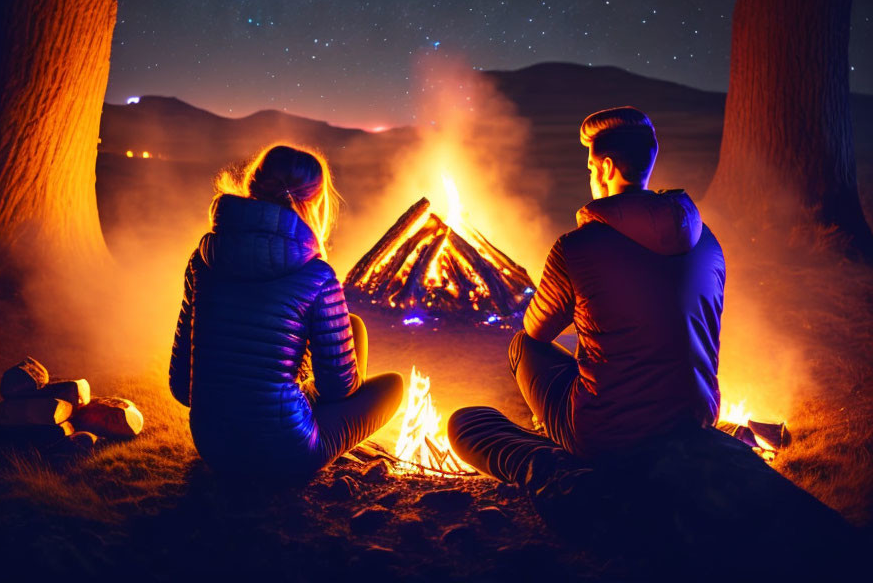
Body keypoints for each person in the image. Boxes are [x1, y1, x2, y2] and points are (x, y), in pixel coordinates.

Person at [447, 106, 726, 484]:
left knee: (517, 353)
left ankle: (558, 464)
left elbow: (536, 331)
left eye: (592, 169)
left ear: (608, 168)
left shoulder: (578, 247)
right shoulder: (708, 242)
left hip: (607, 434)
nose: (592, 177)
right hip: (694, 420)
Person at [168, 144, 404, 476]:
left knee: (353, 327)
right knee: (392, 386)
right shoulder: (316, 275)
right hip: (284, 453)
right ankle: (313, 433)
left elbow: (181, 385)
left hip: (213, 445)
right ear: (314, 201)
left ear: (253, 182)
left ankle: (292, 405)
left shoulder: (203, 260)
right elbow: (339, 389)